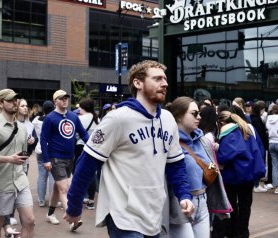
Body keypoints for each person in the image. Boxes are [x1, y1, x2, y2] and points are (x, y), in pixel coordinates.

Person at [63, 60, 194, 237]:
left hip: (153, 212)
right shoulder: (118, 119)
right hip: (122, 214)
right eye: (157, 79)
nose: (165, 83)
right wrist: (74, 206)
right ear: (137, 83)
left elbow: (175, 165)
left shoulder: (169, 119)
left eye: (165, 79)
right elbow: (86, 164)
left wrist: (184, 195)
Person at [0, 89, 35, 238]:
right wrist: (8, 159)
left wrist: (24, 165)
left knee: (30, 221)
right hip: (1, 183)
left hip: (21, 181)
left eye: (16, 100)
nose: (15, 102)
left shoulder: (22, 128)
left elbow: (24, 152)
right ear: (0, 103)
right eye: (10, 100)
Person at [40, 89, 89, 230]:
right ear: (55, 101)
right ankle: (73, 219)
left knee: (57, 187)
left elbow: (83, 134)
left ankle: (50, 214)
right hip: (56, 158)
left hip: (70, 158)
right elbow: (44, 140)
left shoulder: (74, 116)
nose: (65, 100)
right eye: (61, 98)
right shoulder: (50, 118)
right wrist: (46, 159)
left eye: (66, 98)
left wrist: (93, 146)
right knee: (64, 189)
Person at [166, 96, 214, 238]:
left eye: (199, 113)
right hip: (180, 203)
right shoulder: (169, 142)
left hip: (203, 201)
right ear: (179, 116)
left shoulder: (202, 140)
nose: (199, 117)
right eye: (194, 113)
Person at [216, 111, 264, 238]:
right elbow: (258, 150)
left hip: (232, 176)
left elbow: (223, 157)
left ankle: (232, 231)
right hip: (248, 176)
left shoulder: (229, 135)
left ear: (222, 123)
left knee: (231, 204)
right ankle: (243, 232)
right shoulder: (246, 132)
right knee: (245, 205)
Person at [76, 98, 99, 210]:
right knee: (92, 174)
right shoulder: (97, 119)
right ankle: (91, 200)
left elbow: (75, 134)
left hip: (81, 147)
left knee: (80, 173)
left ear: (83, 107)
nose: (79, 109)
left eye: (80, 107)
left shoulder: (80, 119)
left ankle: (80, 198)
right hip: (94, 148)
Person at [32, 100, 55, 207]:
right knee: (52, 176)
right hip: (51, 150)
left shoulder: (36, 120)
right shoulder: (54, 120)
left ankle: (41, 200)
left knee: (41, 175)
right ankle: (52, 200)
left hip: (39, 149)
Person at [266, 104, 278, 194]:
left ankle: (276, 187)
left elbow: (267, 128)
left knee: (275, 166)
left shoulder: (268, 118)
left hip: (271, 142)